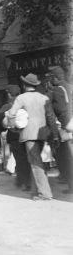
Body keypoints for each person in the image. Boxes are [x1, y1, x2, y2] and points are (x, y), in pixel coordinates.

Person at [5, 73, 59, 200]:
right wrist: (55, 135)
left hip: (28, 134)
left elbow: (12, 114)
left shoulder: (21, 98)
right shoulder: (44, 98)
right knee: (38, 161)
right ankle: (40, 189)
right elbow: (51, 117)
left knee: (35, 163)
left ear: (24, 85)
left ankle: (45, 193)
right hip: (43, 133)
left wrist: (14, 127)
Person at [0, 85, 32, 191]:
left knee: (20, 159)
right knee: (28, 158)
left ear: (9, 94)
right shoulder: (26, 103)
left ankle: (25, 182)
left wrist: (2, 131)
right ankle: (24, 180)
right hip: (29, 134)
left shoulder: (6, 106)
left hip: (15, 136)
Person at [47, 66, 73, 194]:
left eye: (50, 77)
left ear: (55, 78)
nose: (49, 80)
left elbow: (61, 111)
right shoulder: (69, 86)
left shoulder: (57, 90)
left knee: (66, 158)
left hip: (66, 129)